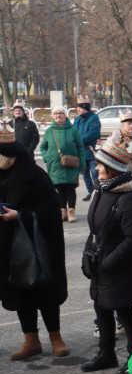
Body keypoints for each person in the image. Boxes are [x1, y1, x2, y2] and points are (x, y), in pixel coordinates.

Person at [0, 120, 71, 360]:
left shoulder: (34, 175)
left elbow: (51, 212)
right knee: (20, 292)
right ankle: (30, 340)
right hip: (9, 246)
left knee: (45, 291)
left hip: (39, 246)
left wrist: (20, 216)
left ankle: (56, 338)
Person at [81, 132, 132, 374]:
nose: (96, 168)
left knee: (124, 312)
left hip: (119, 266)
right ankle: (106, 354)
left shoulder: (128, 198)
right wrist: (88, 255)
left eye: (101, 165)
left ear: (113, 168)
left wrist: (108, 262)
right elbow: (94, 230)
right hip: (100, 263)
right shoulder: (103, 189)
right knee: (101, 307)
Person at [39, 106, 87, 222]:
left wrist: (82, 165)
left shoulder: (73, 130)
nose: (58, 116)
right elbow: (43, 147)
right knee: (59, 189)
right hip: (55, 165)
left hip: (71, 165)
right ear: (53, 116)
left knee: (70, 188)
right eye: (56, 114)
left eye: (61, 113)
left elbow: (80, 148)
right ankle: (62, 212)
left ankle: (71, 212)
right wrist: (46, 157)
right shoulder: (49, 131)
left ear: (65, 115)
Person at [73, 94, 100, 201]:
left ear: (85, 108)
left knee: (95, 173)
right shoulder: (77, 119)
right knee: (85, 174)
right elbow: (73, 132)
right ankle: (90, 192)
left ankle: (98, 192)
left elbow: (92, 134)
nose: (78, 109)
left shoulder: (94, 118)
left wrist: (78, 141)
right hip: (81, 152)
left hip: (92, 151)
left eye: (79, 107)